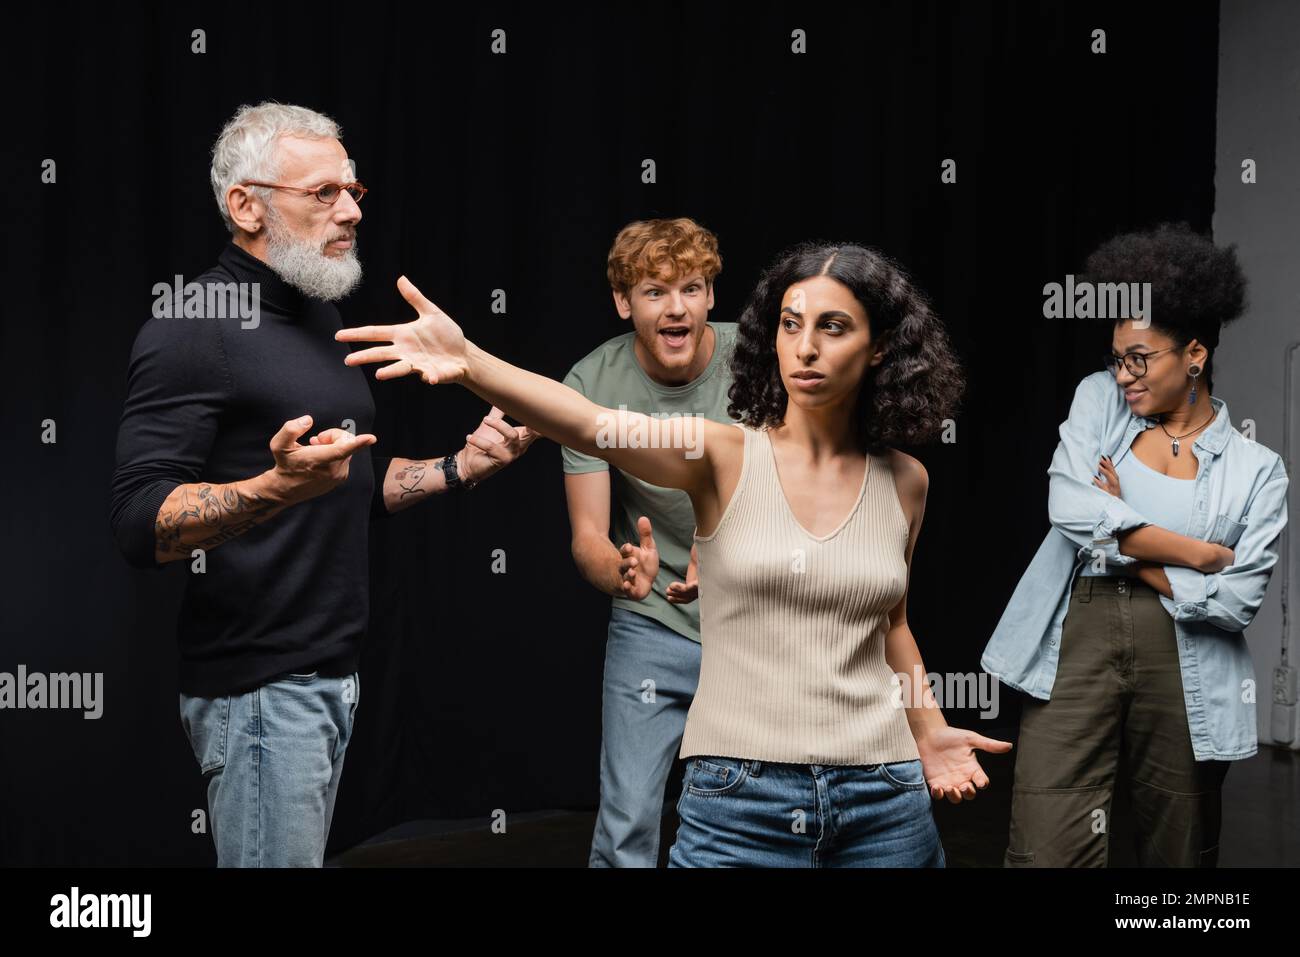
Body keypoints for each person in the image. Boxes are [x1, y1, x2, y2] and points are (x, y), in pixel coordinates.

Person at [338, 241, 1011, 867]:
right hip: (743, 800)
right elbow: (588, 421)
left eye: (833, 327)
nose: (804, 347)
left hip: (884, 798)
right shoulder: (719, 453)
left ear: (880, 347)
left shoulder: (907, 481)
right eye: (789, 323)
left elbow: (891, 625)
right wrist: (471, 363)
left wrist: (928, 727)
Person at [109, 102, 534, 868]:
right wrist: (273, 486)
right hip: (261, 690)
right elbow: (139, 522)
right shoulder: (192, 326)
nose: (349, 211)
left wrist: (459, 467)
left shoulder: (319, 313)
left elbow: (346, 484)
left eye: (353, 191)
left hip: (328, 677)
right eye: (324, 193)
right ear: (246, 204)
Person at [982, 223, 1290, 867]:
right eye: (1116, 357)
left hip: (1191, 659)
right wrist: (1199, 553)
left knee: (1180, 848)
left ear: (1195, 355)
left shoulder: (1258, 469)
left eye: (1140, 359)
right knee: (1045, 845)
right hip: (1078, 637)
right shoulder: (1099, 400)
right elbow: (1067, 506)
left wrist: (1120, 538)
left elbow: (1235, 605)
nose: (1123, 374)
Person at [562, 218, 737, 867]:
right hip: (651, 621)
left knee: (751, 818)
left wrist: (727, 544)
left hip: (754, 623)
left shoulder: (759, 362)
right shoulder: (590, 384)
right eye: (655, 291)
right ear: (622, 302)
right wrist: (621, 571)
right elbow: (587, 535)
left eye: (691, 288)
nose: (676, 307)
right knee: (628, 822)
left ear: (711, 297)